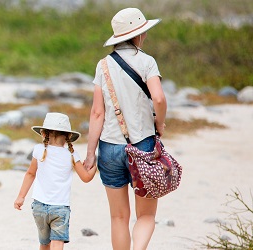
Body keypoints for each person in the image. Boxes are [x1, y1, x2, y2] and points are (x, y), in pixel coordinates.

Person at [83, 7, 167, 250]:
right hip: (143, 144)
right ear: (138, 35)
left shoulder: (103, 65)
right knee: (146, 216)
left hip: (109, 148)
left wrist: (90, 153)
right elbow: (159, 99)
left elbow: (97, 112)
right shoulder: (147, 61)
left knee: (118, 217)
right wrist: (159, 124)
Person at [14, 112, 97, 250]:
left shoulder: (38, 150)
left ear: (43, 134)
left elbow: (30, 174)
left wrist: (20, 197)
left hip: (39, 206)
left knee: (44, 244)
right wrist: (94, 167)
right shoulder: (71, 155)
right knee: (57, 244)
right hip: (60, 207)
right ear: (68, 136)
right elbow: (86, 178)